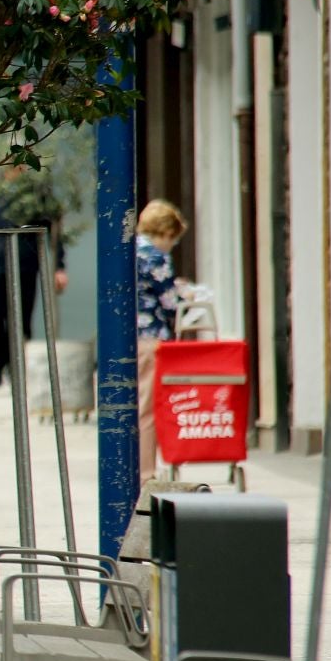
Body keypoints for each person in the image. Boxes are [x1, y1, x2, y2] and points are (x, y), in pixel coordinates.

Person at [0, 203, 68, 387]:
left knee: (22, 320)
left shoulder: (33, 191)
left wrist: (59, 266)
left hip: (26, 265)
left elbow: (55, 229)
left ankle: (15, 367)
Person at [135, 198, 189, 483]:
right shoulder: (156, 257)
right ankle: (146, 473)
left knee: (131, 405)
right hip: (150, 339)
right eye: (173, 240)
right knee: (147, 410)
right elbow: (170, 304)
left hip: (128, 339)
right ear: (166, 233)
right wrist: (185, 295)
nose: (172, 245)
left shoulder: (128, 250)